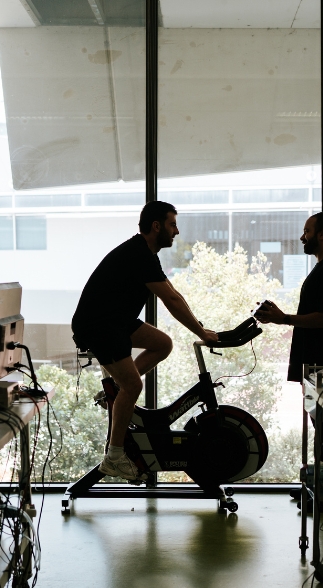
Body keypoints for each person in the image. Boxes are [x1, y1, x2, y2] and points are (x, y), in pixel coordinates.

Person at [71, 200, 218, 481]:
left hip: (116, 319)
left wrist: (200, 327)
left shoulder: (147, 254)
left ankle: (116, 391)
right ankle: (113, 457)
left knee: (163, 344)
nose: (176, 231)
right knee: (133, 385)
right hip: (100, 325)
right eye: (172, 224)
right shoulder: (138, 254)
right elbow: (171, 300)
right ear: (156, 226)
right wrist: (201, 333)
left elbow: (174, 293)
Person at [255, 212, 323, 382]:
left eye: (307, 231)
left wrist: (284, 318)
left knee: (318, 409)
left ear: (322, 234)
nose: (302, 237)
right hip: (315, 363)